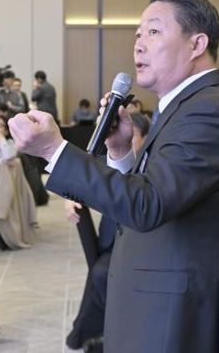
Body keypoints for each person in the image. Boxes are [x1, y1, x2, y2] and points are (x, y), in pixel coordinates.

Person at [9, 0, 219, 352]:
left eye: (154, 32)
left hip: (179, 320)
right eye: (138, 34)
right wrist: (121, 151)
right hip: (159, 306)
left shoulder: (210, 112)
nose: (139, 45)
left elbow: (148, 205)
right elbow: (157, 195)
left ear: (197, 44)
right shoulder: (183, 107)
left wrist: (53, 149)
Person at [65, 111, 150, 351]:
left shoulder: (153, 169)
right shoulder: (109, 161)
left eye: (132, 136)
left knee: (103, 274)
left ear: (145, 138)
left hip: (139, 246)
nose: (124, 141)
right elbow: (78, 180)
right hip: (111, 244)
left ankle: (105, 332)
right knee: (103, 273)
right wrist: (69, 198)